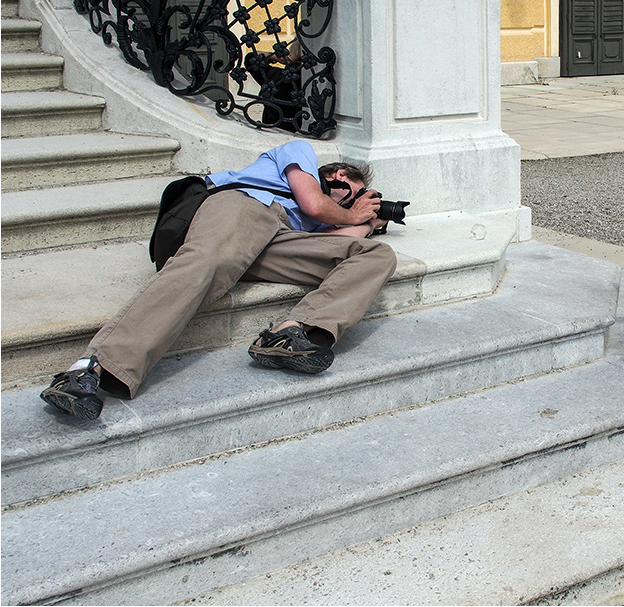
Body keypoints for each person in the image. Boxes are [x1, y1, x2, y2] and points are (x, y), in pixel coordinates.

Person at [40, 140, 397, 421]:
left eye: (358, 193)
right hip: (247, 207)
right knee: (209, 262)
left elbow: (339, 241)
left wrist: (368, 224)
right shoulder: (298, 153)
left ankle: (289, 333)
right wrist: (349, 210)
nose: (351, 195)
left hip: (276, 238)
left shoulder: (324, 220)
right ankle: (90, 368)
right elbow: (314, 204)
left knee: (377, 255)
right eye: (349, 185)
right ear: (334, 172)